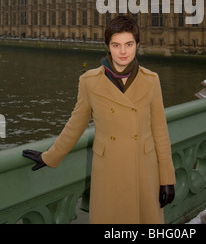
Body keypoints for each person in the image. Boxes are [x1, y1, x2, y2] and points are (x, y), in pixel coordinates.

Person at [23, 15, 175, 224]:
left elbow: (160, 131)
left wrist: (167, 179)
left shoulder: (151, 80)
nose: (123, 51)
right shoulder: (89, 82)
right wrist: (50, 156)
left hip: (144, 171)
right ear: (107, 46)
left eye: (128, 44)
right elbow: (75, 124)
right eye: (116, 45)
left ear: (137, 45)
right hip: (109, 171)